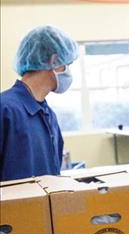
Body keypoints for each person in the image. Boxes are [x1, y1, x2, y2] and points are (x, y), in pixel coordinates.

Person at [0, 25, 78, 181]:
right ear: (54, 60)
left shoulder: (49, 116)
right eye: (67, 64)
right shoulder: (5, 110)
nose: (68, 71)